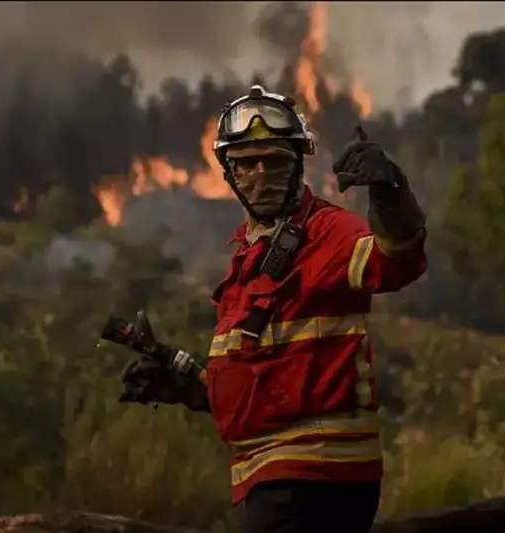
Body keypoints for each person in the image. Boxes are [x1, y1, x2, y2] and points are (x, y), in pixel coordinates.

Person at [118, 85, 427, 533]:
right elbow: (264, 384)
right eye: (247, 163)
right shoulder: (246, 257)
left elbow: (397, 261)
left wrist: (389, 192)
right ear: (229, 172)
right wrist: (184, 386)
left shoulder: (328, 231)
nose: (261, 174)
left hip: (314, 474)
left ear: (298, 163)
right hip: (277, 475)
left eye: (275, 161)